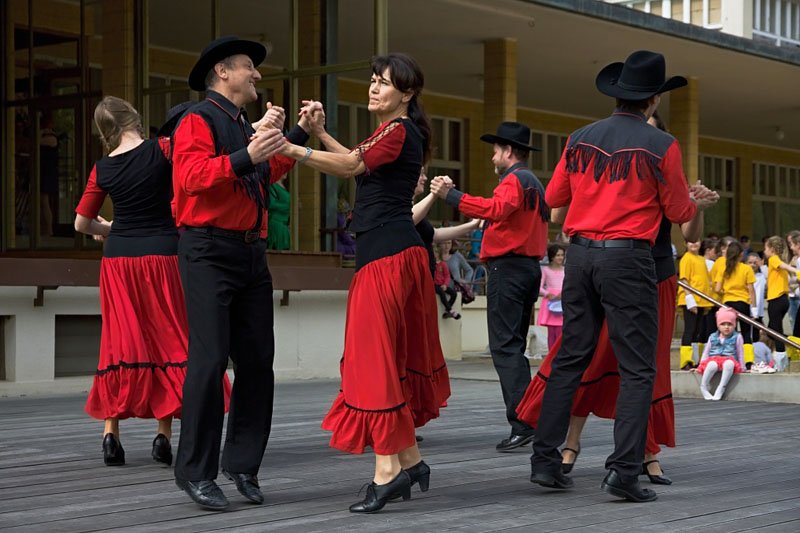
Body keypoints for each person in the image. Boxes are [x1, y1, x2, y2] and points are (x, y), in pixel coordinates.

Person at [529, 50, 716, 503]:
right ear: (653, 100)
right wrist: (697, 205)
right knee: (637, 369)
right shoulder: (662, 146)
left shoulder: (579, 137)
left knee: (572, 356)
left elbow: (554, 201)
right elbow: (676, 212)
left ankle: (545, 461)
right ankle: (624, 472)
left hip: (579, 256)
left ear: (618, 94)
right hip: (628, 260)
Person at [279, 53, 449, 514]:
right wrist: (317, 135)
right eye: (372, 81)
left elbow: (352, 167)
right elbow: (359, 160)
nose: (374, 89)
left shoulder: (399, 131)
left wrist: (292, 148)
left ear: (407, 94)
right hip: (391, 254)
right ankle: (409, 461)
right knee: (380, 359)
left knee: (372, 361)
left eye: (384, 83)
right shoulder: (393, 132)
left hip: (389, 258)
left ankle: (388, 471)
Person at [171, 36, 316, 510]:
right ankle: (196, 472)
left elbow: (261, 175)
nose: (257, 75)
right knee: (210, 362)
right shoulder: (198, 118)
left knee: (257, 364)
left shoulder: (238, 123)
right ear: (222, 72)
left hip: (251, 255)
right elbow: (190, 177)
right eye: (249, 67)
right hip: (208, 251)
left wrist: (298, 133)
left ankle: (243, 466)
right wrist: (247, 156)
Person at [75, 96, 231, 468]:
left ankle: (111, 434)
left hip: (119, 261)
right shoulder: (163, 150)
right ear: (136, 119)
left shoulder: (102, 168)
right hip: (164, 255)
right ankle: (164, 436)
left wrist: (109, 228)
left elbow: (82, 223)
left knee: (119, 342)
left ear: (104, 131)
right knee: (170, 338)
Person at [430, 121, 549, 453]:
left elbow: (496, 209)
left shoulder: (515, 179)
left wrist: (450, 195)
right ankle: (529, 418)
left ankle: (524, 421)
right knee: (513, 346)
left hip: (509, 269)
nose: (493, 156)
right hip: (525, 268)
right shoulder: (532, 182)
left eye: (496, 150)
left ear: (508, 151)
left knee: (505, 347)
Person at [713, 240, 756, 367]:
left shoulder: (724, 269)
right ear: (741, 254)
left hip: (727, 303)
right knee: (746, 332)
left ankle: (726, 357)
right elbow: (751, 291)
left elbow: (717, 289)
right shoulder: (746, 269)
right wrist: (754, 308)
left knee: (727, 331)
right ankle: (748, 361)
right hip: (742, 302)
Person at [764, 235, 800, 371]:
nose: (764, 251)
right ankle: (787, 344)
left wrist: (795, 270)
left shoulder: (774, 259)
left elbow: (783, 266)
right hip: (783, 299)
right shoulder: (780, 261)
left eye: (766, 248)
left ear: (772, 249)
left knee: (775, 331)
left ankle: (781, 358)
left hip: (776, 299)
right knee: (771, 331)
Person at [678, 239, 713, 369]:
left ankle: (696, 359)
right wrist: (689, 298)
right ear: (686, 244)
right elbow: (684, 279)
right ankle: (685, 361)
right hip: (690, 299)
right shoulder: (686, 258)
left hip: (701, 300)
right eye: (690, 242)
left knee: (697, 331)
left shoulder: (701, 259)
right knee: (689, 330)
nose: (694, 244)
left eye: (696, 241)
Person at [697, 307, 746, 400]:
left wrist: (742, 366)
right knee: (712, 365)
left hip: (729, 359)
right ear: (718, 326)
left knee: (729, 364)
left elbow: (740, 353)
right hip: (714, 359)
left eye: (730, 324)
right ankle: (703, 386)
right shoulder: (712, 337)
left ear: (734, 325)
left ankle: (721, 387)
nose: (726, 327)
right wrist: (701, 365)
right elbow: (706, 352)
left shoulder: (737, 337)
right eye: (723, 324)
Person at [538, 243, 565, 350]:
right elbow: (539, 287)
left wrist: (563, 293)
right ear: (552, 256)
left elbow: (569, 285)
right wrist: (547, 293)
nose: (560, 258)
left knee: (561, 331)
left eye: (562, 255)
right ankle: (551, 356)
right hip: (550, 303)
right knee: (552, 332)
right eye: (558, 255)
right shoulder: (546, 270)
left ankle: (560, 355)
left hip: (562, 302)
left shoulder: (565, 270)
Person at [434, 245, 460, 319]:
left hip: (441, 284)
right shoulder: (431, 264)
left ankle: (447, 310)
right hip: (434, 285)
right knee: (441, 293)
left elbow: (447, 275)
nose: (434, 254)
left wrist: (445, 284)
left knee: (454, 294)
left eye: (436, 252)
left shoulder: (443, 264)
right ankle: (450, 310)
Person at [266, 175, 291, 250]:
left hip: (284, 225)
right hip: (276, 224)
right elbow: (271, 204)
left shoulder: (283, 186)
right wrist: (290, 205)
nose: (286, 172)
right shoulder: (272, 186)